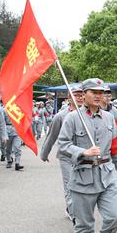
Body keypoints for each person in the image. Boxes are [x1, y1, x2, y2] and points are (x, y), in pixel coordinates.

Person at [58, 78, 117, 233]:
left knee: (115, 218)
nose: (99, 95)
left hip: (107, 175)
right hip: (83, 178)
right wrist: (83, 152)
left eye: (102, 92)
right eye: (94, 92)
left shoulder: (109, 118)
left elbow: (116, 146)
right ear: (84, 94)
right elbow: (62, 145)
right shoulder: (72, 118)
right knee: (85, 225)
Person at [40, 85, 84, 222]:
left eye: (81, 94)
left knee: (82, 186)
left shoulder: (88, 114)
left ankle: (72, 207)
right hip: (66, 156)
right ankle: (74, 214)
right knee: (70, 185)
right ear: (69, 98)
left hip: (84, 156)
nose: (79, 97)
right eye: (76, 95)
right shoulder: (61, 116)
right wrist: (44, 154)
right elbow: (51, 136)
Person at [2, 106, 24, 171]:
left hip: (17, 130)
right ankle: (9, 160)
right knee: (8, 148)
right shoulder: (4, 110)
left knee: (17, 147)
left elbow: (22, 120)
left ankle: (17, 163)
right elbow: (1, 122)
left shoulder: (19, 109)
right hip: (7, 130)